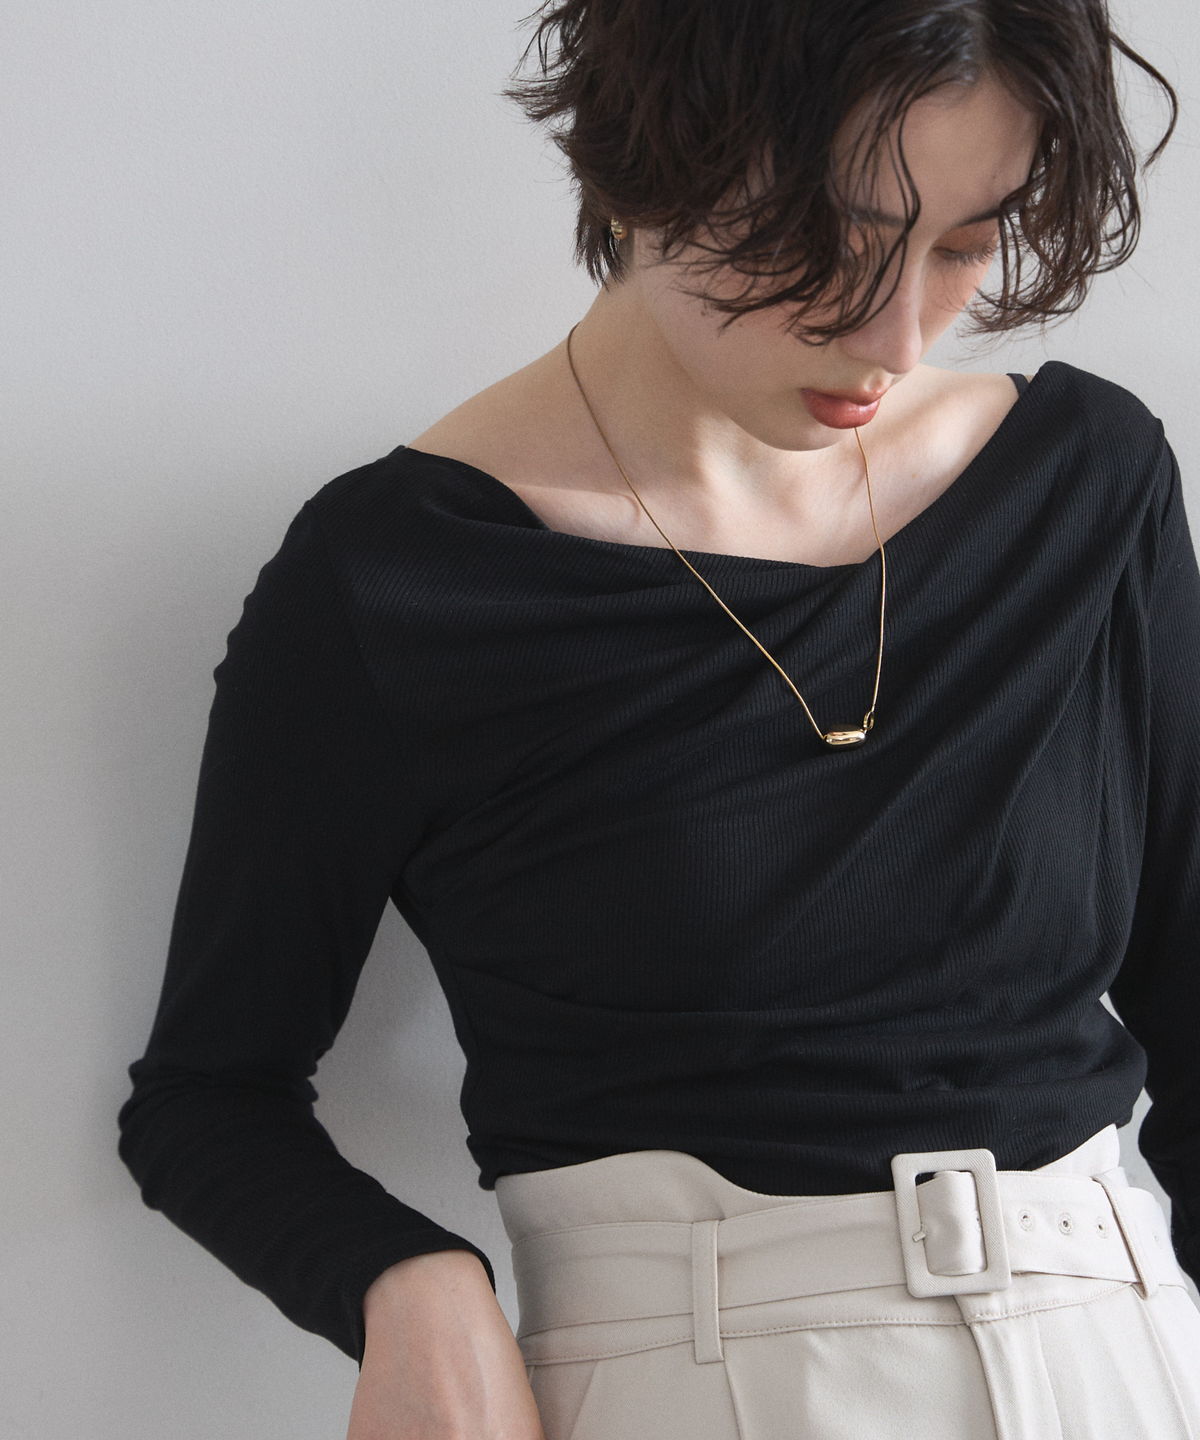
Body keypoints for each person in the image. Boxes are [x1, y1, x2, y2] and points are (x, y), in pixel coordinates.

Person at [117, 1, 1200, 1436]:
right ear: (650, 164)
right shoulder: (401, 581)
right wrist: (408, 1284)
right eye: (835, 240)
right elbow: (208, 1093)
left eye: (963, 244)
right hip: (693, 1377)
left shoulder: (1085, 482)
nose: (895, 332)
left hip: (1119, 1357)